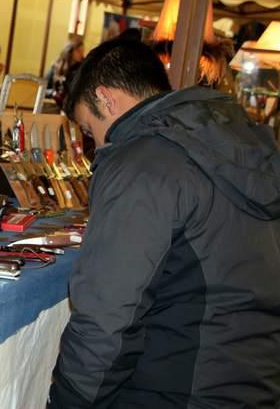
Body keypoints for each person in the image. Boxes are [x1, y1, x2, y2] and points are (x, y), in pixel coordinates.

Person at [49, 39, 280, 407]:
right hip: (253, 384)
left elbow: (106, 322)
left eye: (90, 131)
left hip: (179, 390)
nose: (95, 146)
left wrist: (68, 402)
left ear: (106, 99)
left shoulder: (141, 162)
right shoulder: (241, 143)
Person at [46, 38, 84, 106]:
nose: (81, 54)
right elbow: (43, 89)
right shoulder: (56, 67)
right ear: (70, 51)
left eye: (82, 51)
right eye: (78, 51)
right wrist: (53, 93)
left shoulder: (82, 70)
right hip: (53, 106)